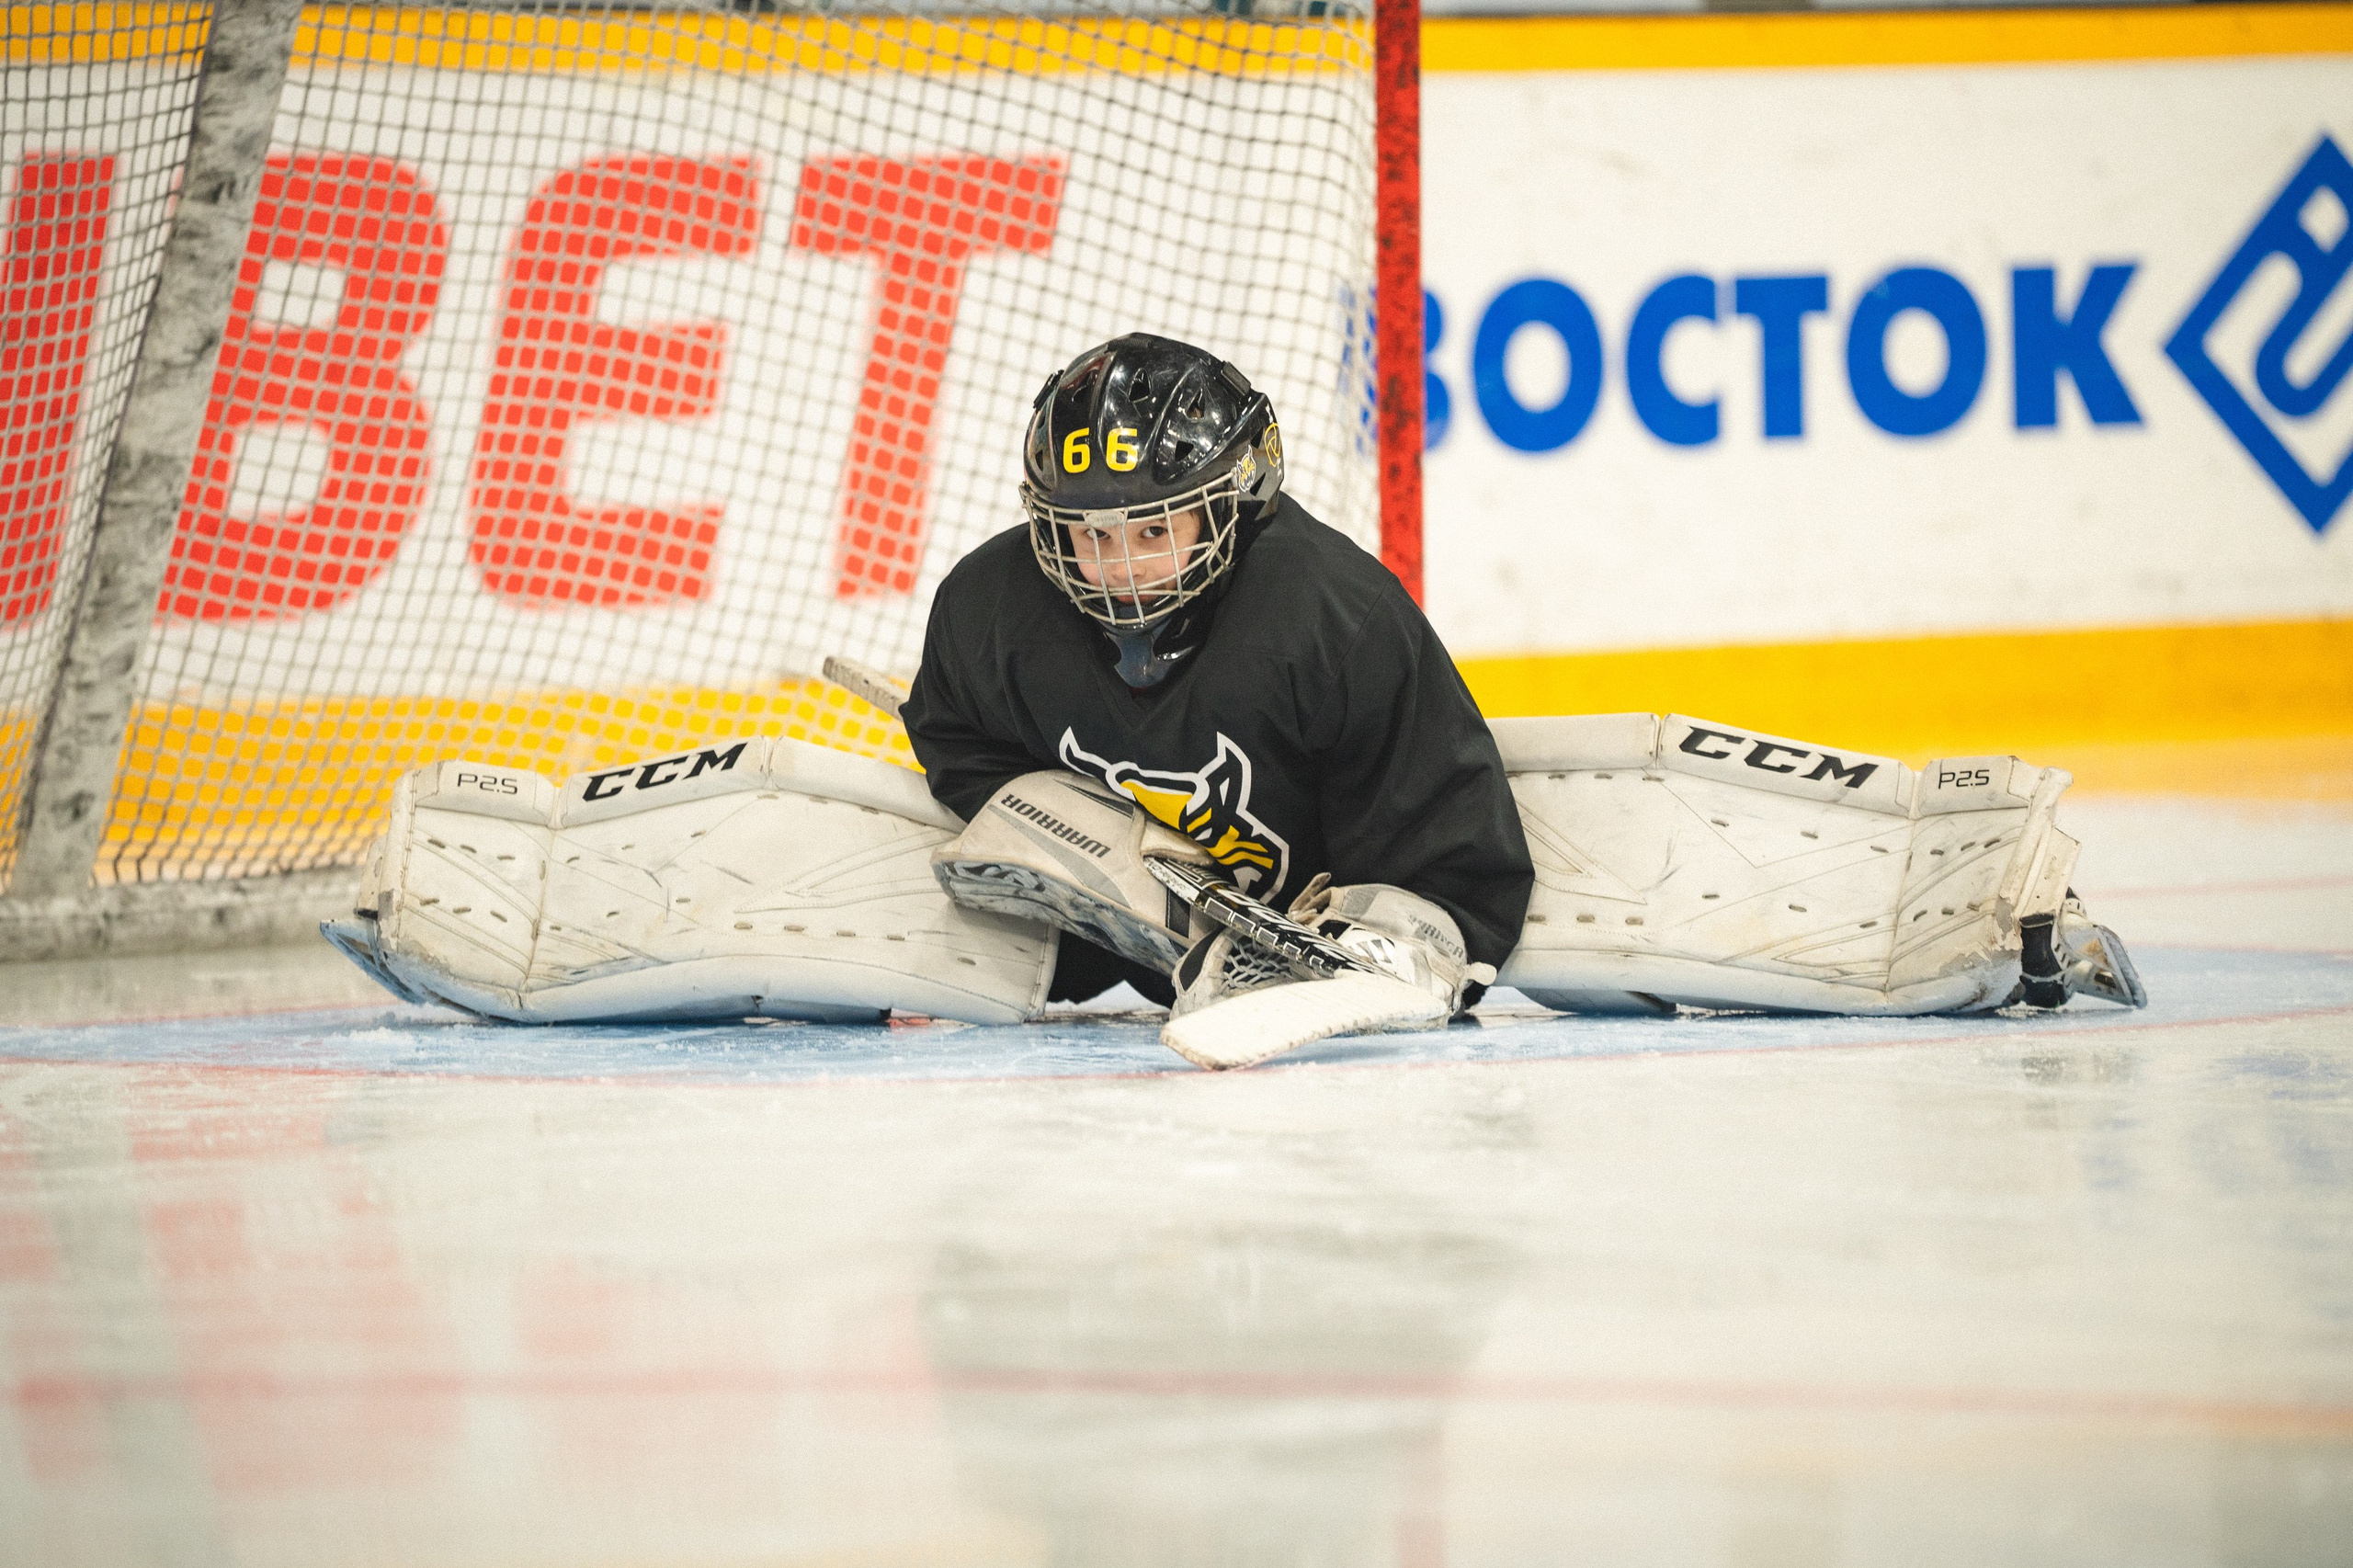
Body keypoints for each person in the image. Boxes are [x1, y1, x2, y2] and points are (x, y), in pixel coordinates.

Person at [902, 333, 1534, 1017]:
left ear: (1233, 501)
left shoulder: (1332, 615)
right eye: (1092, 535)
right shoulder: (990, 608)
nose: (1122, 568)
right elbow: (958, 747)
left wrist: (1390, 934)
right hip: (1118, 947)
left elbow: (1448, 851)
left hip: (1315, 938)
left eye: (1154, 530)